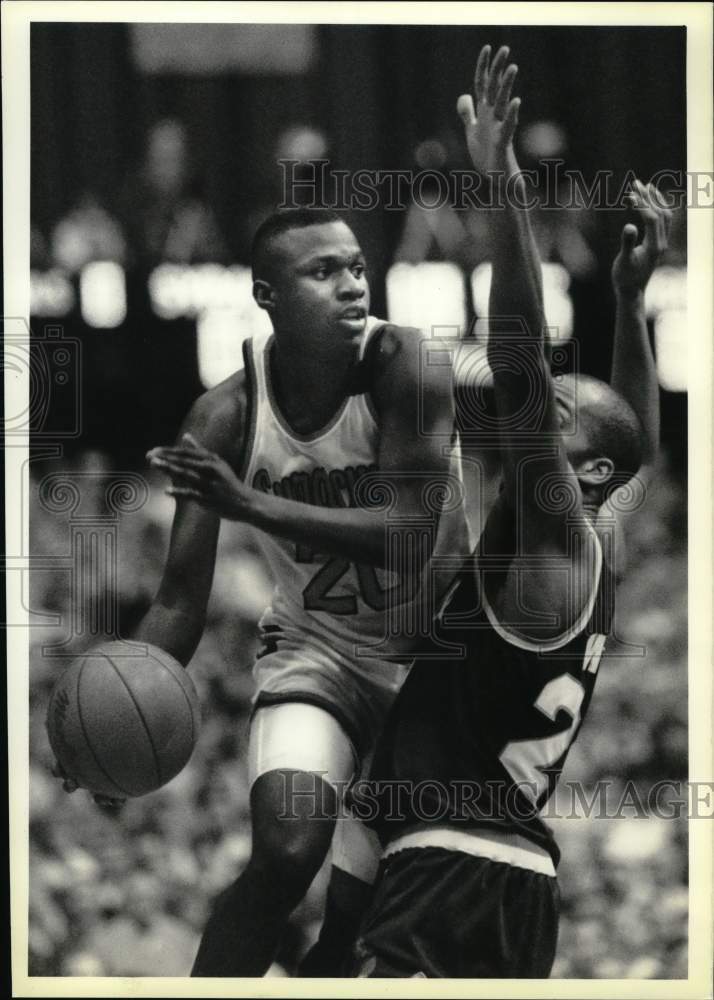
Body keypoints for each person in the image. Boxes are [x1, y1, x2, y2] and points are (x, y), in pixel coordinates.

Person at [300, 44, 668, 979]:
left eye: (562, 410)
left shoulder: (552, 531)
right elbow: (635, 451)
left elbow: (515, 355)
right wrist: (629, 307)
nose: (544, 410)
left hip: (450, 868)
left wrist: (499, 179)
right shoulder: (590, 539)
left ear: (575, 469)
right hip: (504, 877)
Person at [52, 206, 470, 976]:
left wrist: (250, 504)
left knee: (374, 920)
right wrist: (103, 718)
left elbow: (410, 537)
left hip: (438, 669)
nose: (351, 286)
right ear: (267, 294)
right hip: (319, 654)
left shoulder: (408, 367)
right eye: (322, 273)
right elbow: (179, 602)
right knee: (285, 850)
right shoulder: (222, 417)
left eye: (355, 268)